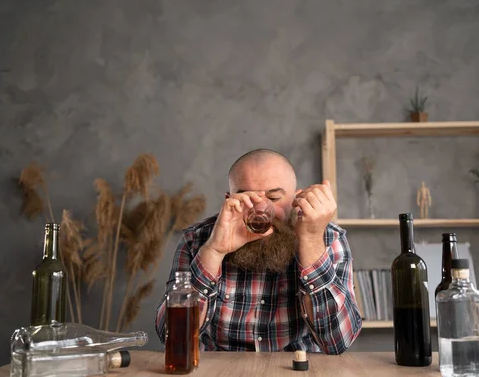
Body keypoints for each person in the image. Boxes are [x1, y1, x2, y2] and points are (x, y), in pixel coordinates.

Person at [154, 149, 362, 354]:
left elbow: (338, 341)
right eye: (247, 199)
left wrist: (310, 241)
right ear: (229, 199)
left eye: (273, 198)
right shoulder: (197, 239)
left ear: (296, 199)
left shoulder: (326, 237)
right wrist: (213, 251)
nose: (261, 210)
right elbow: (170, 337)